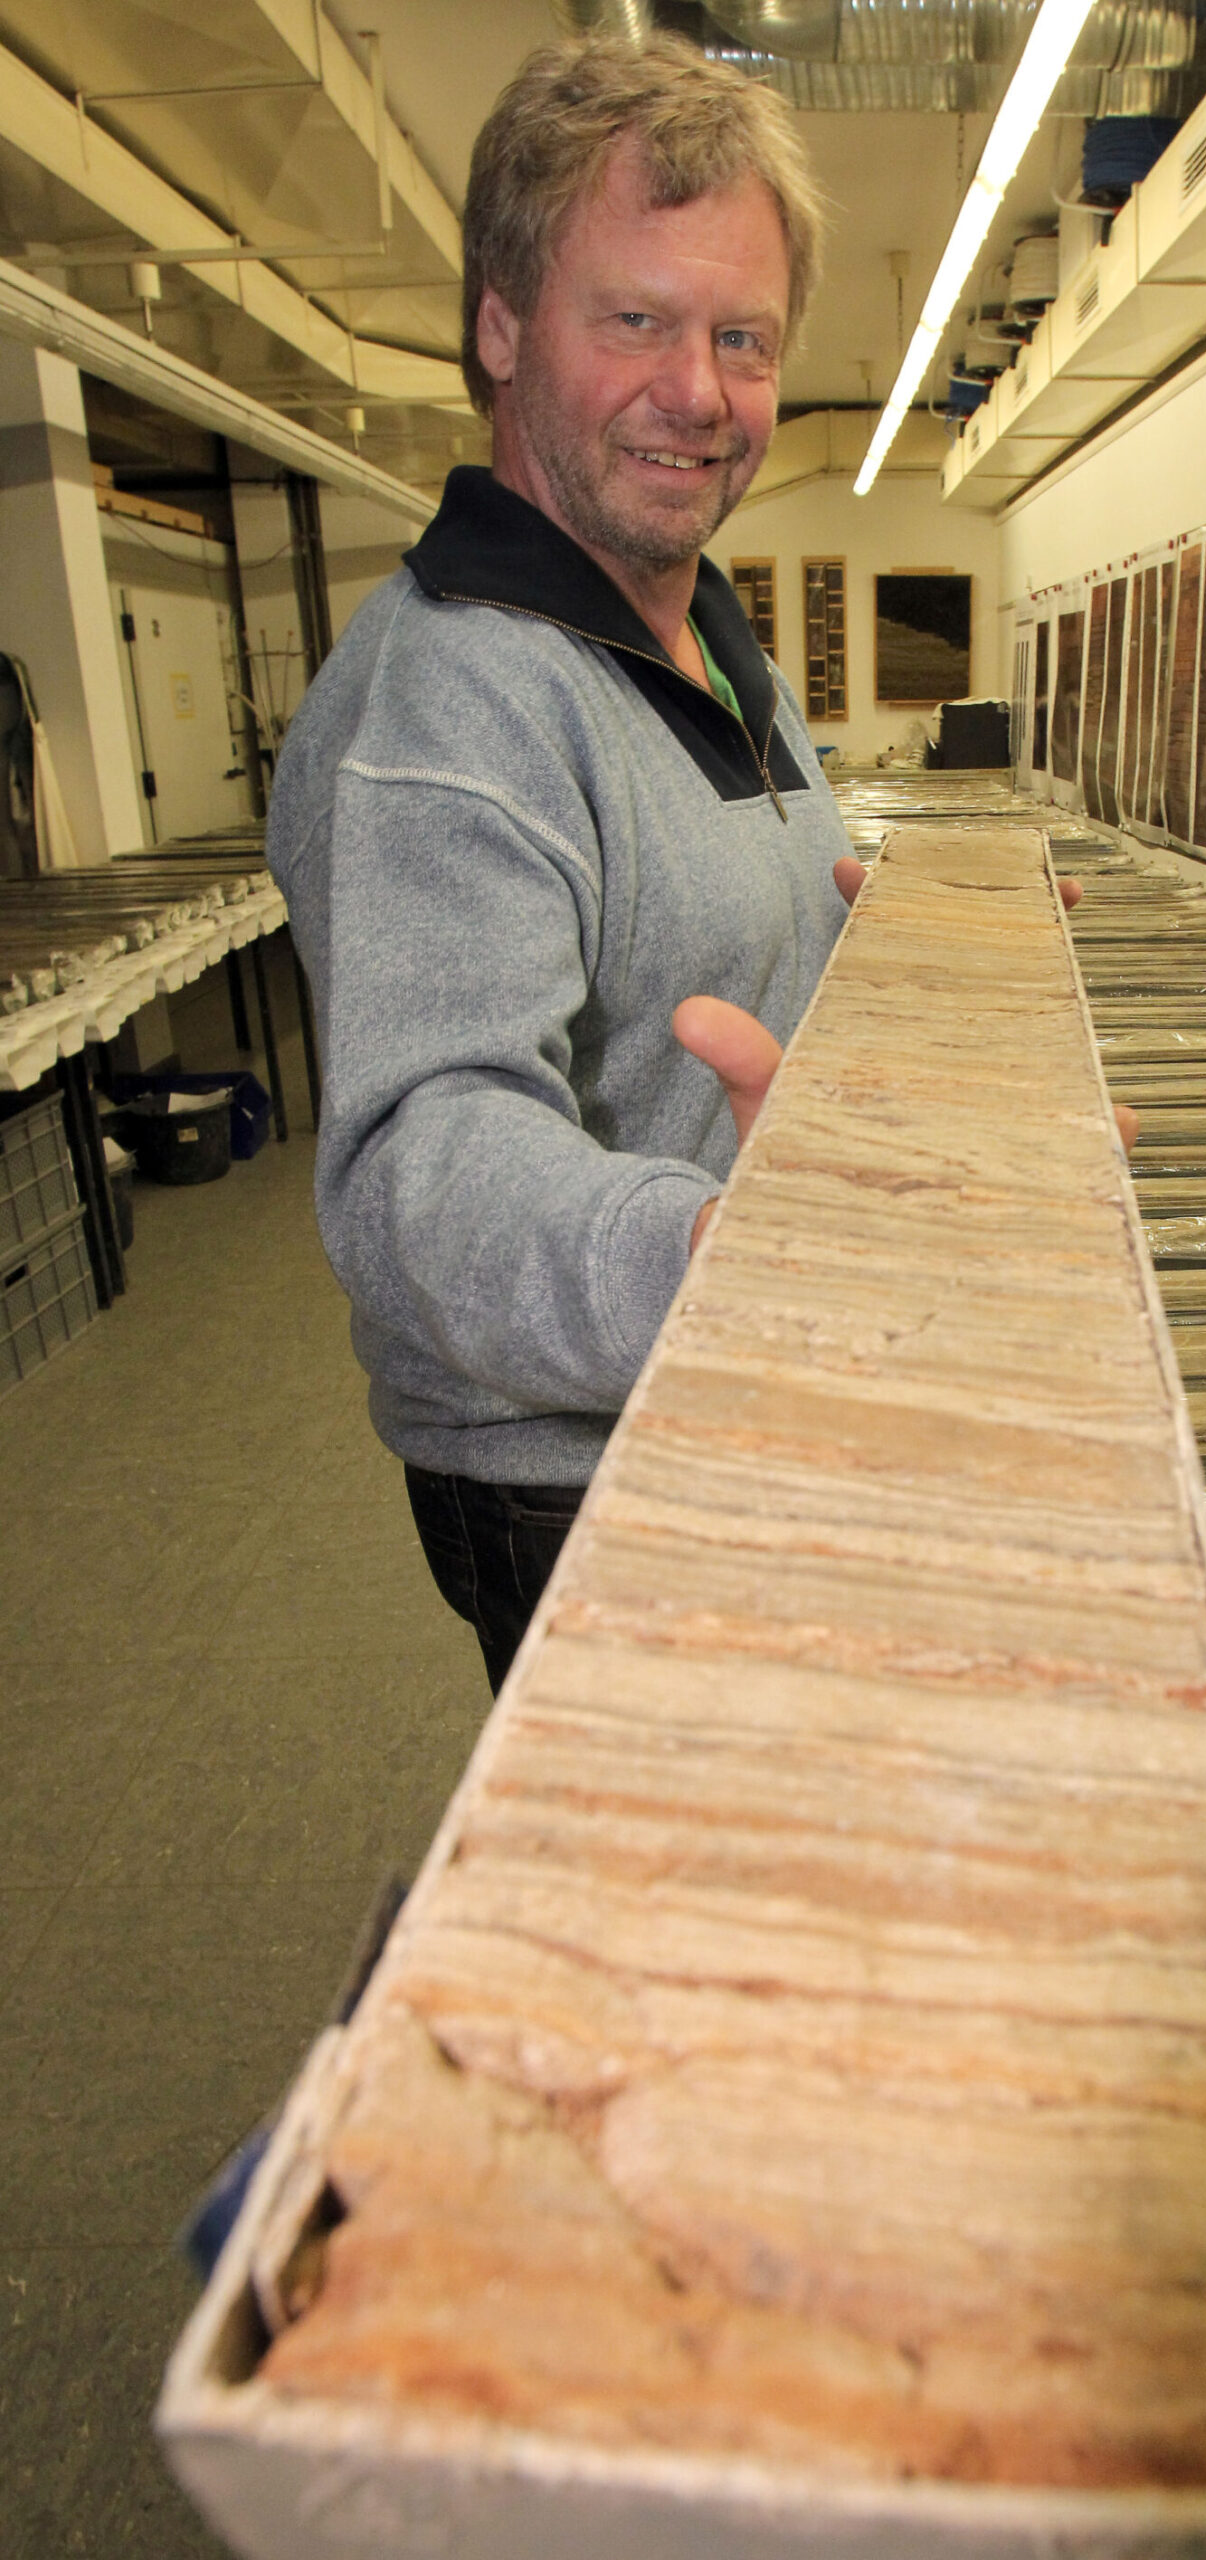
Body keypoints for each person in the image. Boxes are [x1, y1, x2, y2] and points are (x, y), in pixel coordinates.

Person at [268, 36, 859, 1690]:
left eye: (741, 337)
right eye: (637, 321)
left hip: (727, 1384)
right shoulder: (455, 694)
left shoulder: (698, 632)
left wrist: (921, 985)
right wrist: (713, 1261)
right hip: (587, 1473)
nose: (701, 390)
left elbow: (717, 960)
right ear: (501, 327)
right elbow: (423, 1162)